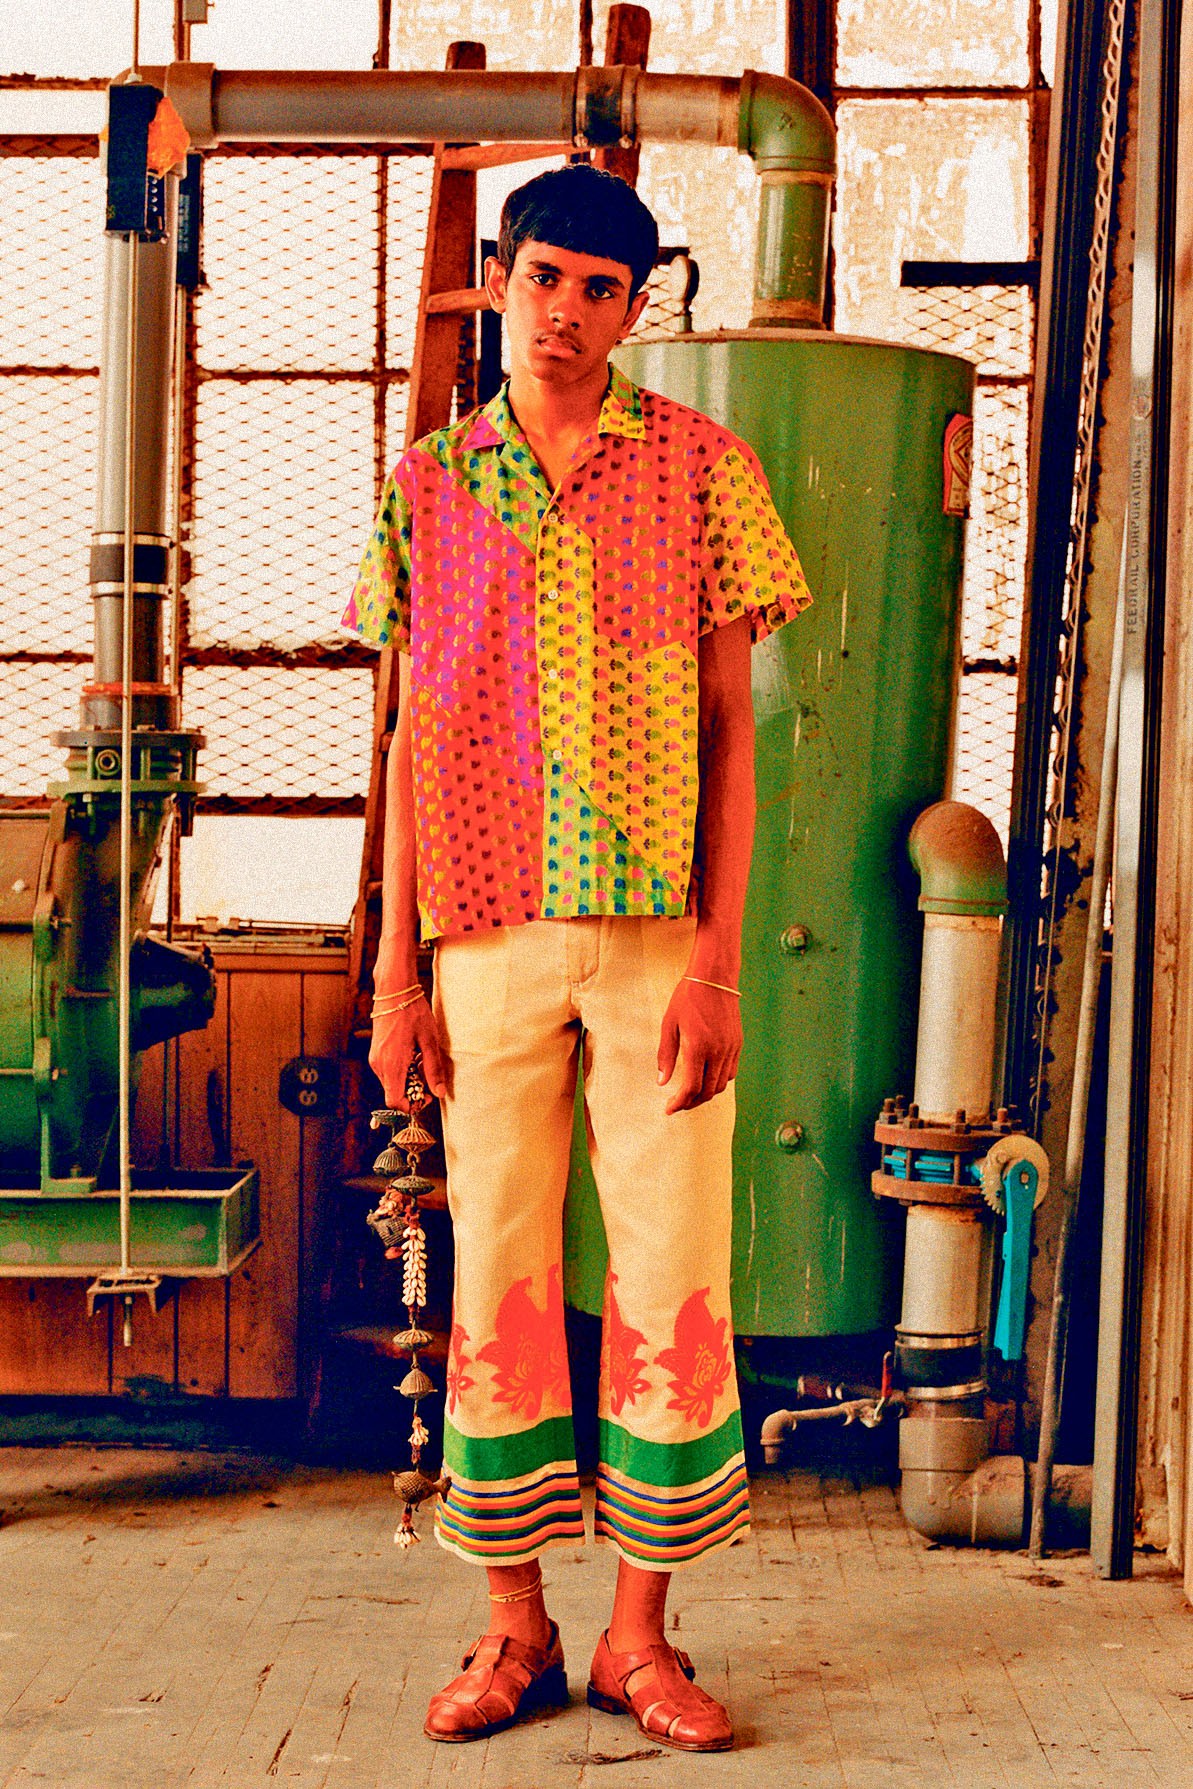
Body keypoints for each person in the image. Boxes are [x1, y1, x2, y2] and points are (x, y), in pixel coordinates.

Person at [342, 162, 811, 1753]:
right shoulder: (428, 481)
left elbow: (736, 729)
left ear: (633, 307)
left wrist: (718, 962)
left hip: (655, 935)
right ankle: (512, 1626)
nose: (564, 313)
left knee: (669, 1271)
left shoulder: (704, 469)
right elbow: (406, 734)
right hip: (478, 934)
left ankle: (635, 1640)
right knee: (497, 1271)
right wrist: (393, 975)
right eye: (542, 278)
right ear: (498, 278)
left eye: (600, 290)